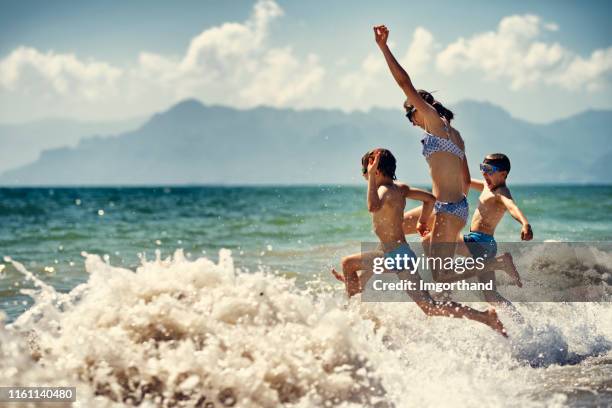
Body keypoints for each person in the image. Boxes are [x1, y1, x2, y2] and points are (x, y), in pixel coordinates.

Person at [331, 149, 506, 336]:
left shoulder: (382, 190)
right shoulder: (400, 188)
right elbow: (430, 199)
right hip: (403, 255)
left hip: (396, 256)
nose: (365, 176)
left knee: (347, 264)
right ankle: (484, 316)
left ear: (376, 170)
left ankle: (353, 317)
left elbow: (373, 206)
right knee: (429, 307)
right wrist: (422, 221)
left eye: (365, 171)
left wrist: (372, 179)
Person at [374, 24, 470, 283]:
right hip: (452, 206)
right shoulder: (456, 134)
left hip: (447, 208)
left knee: (440, 276)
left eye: (409, 113)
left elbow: (405, 83)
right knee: (390, 228)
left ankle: (495, 263)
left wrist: (383, 48)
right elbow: (466, 180)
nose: (410, 119)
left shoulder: (434, 122)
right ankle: (365, 277)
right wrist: (441, 214)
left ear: (420, 106)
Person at [456, 153, 533, 311]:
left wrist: (525, 223)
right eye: (482, 168)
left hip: (480, 242)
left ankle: (501, 263)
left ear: (503, 174)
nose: (484, 173)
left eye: (489, 170)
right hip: (485, 245)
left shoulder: (502, 192)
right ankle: (522, 324)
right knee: (491, 297)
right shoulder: (486, 186)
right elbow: (466, 181)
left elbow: (512, 207)